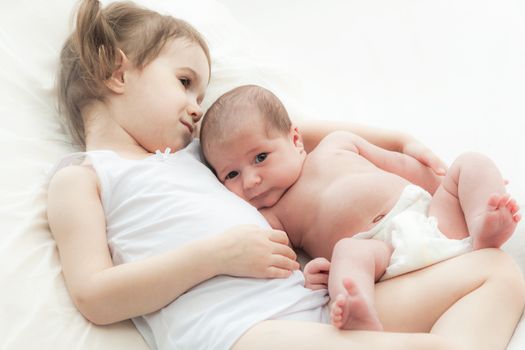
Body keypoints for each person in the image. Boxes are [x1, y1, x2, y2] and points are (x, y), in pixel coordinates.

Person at [47, 1, 525, 349]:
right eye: (185, 82)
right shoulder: (85, 177)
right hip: (244, 332)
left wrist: (398, 141)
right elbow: (95, 295)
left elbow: (294, 131)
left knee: (498, 273)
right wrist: (216, 256)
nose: (197, 108)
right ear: (116, 72)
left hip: (316, 311)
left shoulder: (204, 156)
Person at [200, 84, 522, 331]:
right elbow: (289, 265)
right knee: (346, 253)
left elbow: (401, 166)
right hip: (382, 256)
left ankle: (483, 223)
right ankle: (359, 311)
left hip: (430, 219)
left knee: (470, 163)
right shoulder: (271, 216)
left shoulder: (338, 143)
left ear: (295, 139)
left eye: (260, 157)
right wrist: (317, 273)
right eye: (232, 174)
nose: (252, 180)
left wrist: (452, 188)